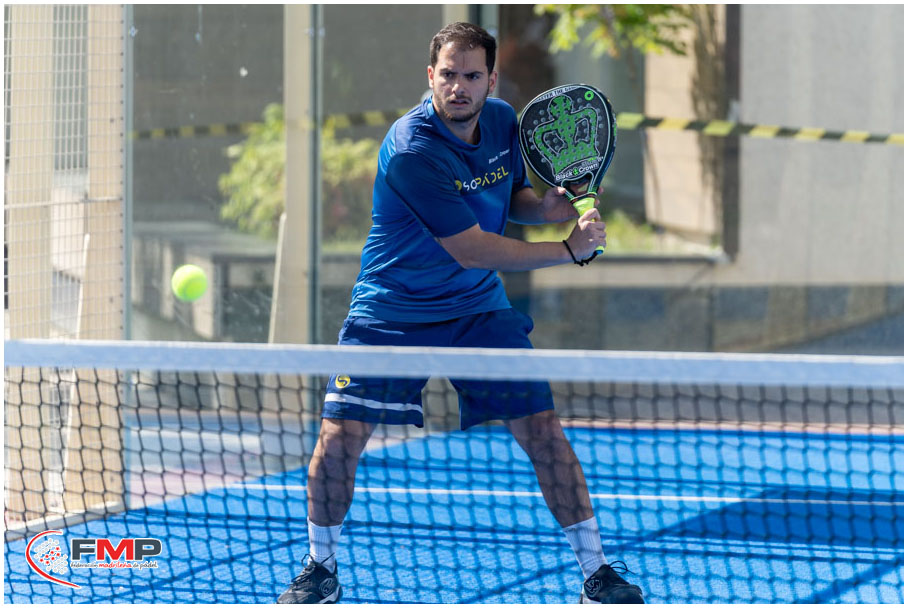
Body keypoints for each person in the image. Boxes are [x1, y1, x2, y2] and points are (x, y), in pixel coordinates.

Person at [278, 22, 644, 605]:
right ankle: (320, 568)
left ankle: (597, 572)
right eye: (448, 74)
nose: (459, 87)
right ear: (431, 76)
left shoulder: (501, 122)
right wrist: (567, 249)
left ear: (491, 80)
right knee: (340, 438)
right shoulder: (412, 149)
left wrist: (549, 209)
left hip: (477, 309)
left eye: (472, 75)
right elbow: (472, 248)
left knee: (544, 431)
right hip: (392, 310)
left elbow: (511, 199)